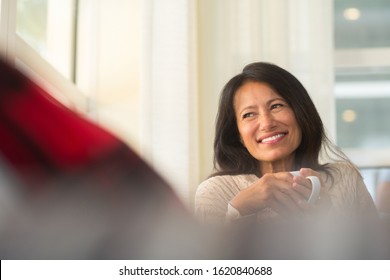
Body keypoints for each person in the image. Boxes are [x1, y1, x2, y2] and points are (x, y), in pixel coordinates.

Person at [195, 62, 378, 225]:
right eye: (249, 114)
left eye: (276, 106)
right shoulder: (215, 192)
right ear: (238, 134)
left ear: (301, 114)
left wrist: (328, 222)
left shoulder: (346, 179)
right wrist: (239, 211)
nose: (267, 123)